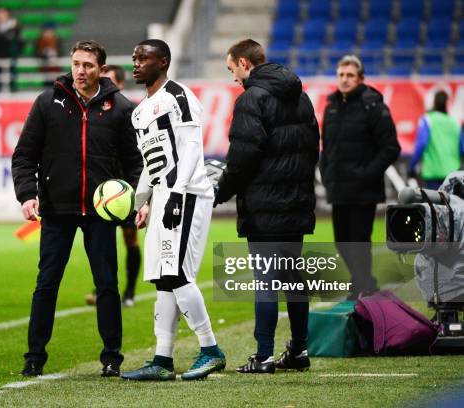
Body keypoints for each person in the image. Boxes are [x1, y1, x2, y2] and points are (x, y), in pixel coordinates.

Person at [11, 40, 142, 378]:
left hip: (101, 213)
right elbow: (24, 155)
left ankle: (112, 357)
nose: (81, 71)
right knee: (47, 284)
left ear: (101, 68)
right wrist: (27, 194)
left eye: (88, 65)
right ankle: (34, 357)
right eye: (77, 64)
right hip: (57, 209)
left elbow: (135, 164)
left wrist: (139, 203)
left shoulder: (120, 107)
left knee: (107, 285)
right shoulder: (47, 103)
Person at [120, 39, 226, 381]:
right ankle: (162, 360)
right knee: (162, 278)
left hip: (188, 192)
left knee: (177, 273)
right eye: (135, 58)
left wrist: (178, 193)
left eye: (142, 58)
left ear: (162, 61)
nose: (136, 63)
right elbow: (151, 166)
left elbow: (193, 147)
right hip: (164, 194)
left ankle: (210, 349)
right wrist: (141, 202)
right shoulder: (139, 112)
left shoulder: (179, 95)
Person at [214, 39, 319, 374]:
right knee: (293, 277)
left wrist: (221, 190)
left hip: (264, 206)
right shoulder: (301, 97)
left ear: (245, 63)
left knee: (266, 280)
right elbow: (312, 149)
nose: (233, 78)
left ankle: (263, 356)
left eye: (232, 69)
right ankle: (300, 351)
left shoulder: (251, 99)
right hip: (296, 204)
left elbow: (243, 156)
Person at [320, 55, 400, 300]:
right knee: (342, 243)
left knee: (358, 242)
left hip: (364, 190)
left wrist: (366, 174)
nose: (344, 80)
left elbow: (390, 148)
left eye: (350, 75)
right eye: (341, 75)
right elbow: (327, 146)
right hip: (339, 188)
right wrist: (325, 171)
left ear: (361, 79)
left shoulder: (373, 106)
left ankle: (362, 288)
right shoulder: (331, 106)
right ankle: (365, 284)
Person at [85, 64, 141, 308]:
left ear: (119, 85)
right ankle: (103, 289)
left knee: (130, 238)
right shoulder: (93, 113)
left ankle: (129, 291)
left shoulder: (130, 112)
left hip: (125, 188)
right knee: (102, 241)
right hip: (102, 187)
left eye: (108, 81)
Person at [409, 90, 463, 190]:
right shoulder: (455, 123)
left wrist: (411, 167)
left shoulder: (427, 120)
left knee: (434, 204)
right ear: (447, 103)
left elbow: (421, 145)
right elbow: (462, 149)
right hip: (452, 176)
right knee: (451, 204)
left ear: (434, 102)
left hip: (432, 175)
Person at [0, 8, 23, 91]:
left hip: (10, 55)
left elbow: (19, 41)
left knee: (11, 74)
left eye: (3, 13)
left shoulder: (14, 26)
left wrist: (16, 52)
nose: (1, 15)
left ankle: (12, 89)